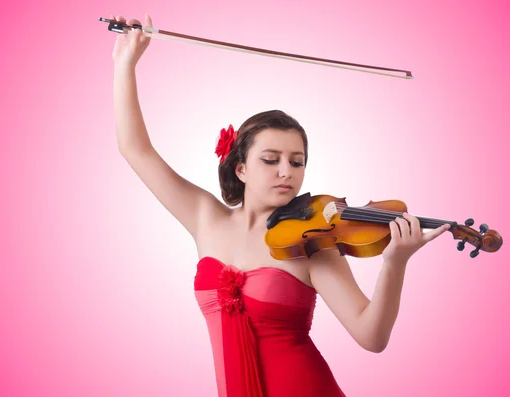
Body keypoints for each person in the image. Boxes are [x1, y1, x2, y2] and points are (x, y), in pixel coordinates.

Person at [112, 13, 451, 397]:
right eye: (271, 160)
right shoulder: (206, 218)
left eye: (297, 161)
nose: (286, 172)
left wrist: (395, 261)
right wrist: (126, 63)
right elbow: (134, 149)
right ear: (240, 167)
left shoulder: (312, 245)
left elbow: (371, 336)